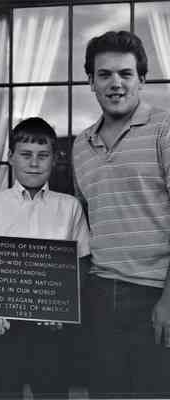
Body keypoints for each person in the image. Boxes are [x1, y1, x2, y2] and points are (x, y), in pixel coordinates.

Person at [72, 30, 170, 398]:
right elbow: (86, 221)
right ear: (91, 82)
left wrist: (168, 300)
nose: (115, 83)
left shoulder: (165, 129)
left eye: (126, 74)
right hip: (100, 294)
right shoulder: (82, 144)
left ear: (142, 80)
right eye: (105, 75)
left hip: (155, 294)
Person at [0, 117, 90, 399]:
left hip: (52, 328)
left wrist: (64, 307)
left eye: (42, 156)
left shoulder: (69, 207)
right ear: (11, 157)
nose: (34, 163)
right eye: (25, 155)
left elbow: (82, 264)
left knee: (52, 392)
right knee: (2, 391)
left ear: (54, 160)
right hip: (3, 326)